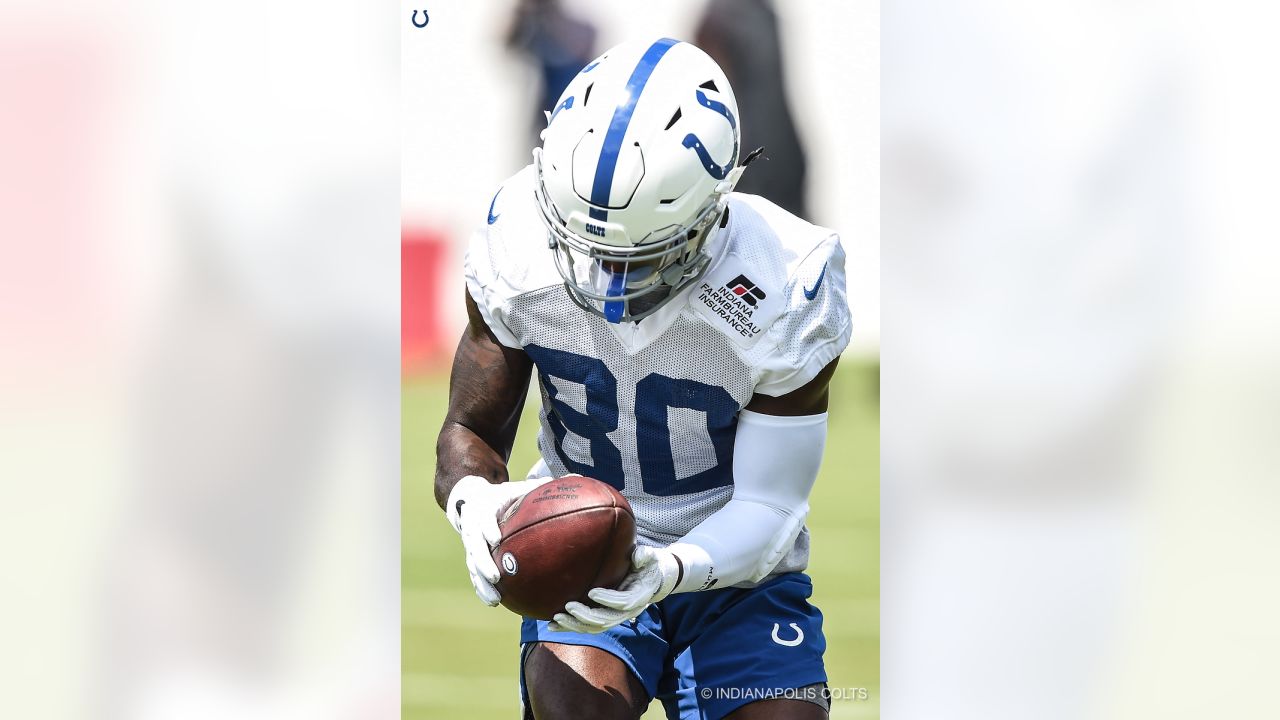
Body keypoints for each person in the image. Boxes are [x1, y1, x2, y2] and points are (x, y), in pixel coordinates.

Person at [434, 38, 850, 720]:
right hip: (586, 564)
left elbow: (772, 508)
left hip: (735, 577)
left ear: (714, 207)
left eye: (637, 256)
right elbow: (469, 428)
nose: (605, 282)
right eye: (583, 246)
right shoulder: (517, 241)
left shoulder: (782, 281)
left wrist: (669, 570)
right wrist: (476, 503)